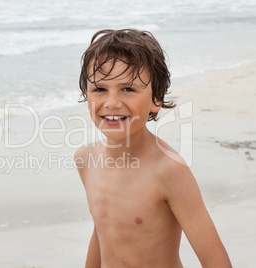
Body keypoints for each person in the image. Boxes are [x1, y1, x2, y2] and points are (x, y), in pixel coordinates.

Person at [74, 29, 232, 267]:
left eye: (128, 89)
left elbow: (215, 260)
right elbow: (104, 229)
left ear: (156, 99)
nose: (112, 102)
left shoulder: (168, 170)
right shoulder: (86, 159)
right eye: (100, 89)